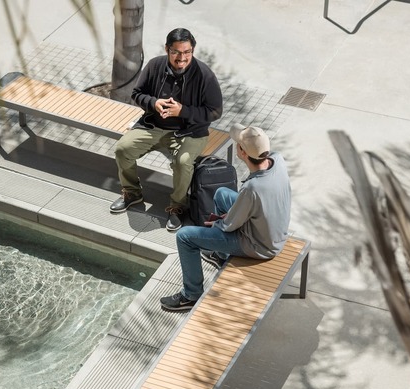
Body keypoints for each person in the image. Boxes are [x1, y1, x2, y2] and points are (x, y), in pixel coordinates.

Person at [160, 123, 291, 311]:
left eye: (238, 143)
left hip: (260, 246)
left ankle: (191, 295)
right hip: (273, 230)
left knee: (185, 237)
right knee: (221, 193)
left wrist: (219, 221)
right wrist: (228, 218)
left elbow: (229, 226)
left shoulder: (253, 188)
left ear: (242, 152)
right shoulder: (278, 160)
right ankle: (220, 255)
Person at [109, 28, 223, 232]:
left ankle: (178, 206)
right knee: (122, 149)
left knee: (183, 162)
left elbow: (215, 112)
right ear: (167, 49)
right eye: (176, 52)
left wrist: (183, 111)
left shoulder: (204, 75)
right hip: (153, 126)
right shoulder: (155, 65)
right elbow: (137, 93)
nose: (182, 58)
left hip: (190, 131)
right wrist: (153, 103)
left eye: (187, 52)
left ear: (193, 50)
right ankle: (132, 193)